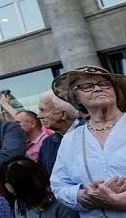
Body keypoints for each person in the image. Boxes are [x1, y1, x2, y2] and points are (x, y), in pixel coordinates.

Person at [50, 65, 126, 216]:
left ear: (115, 91)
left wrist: (120, 201)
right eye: (87, 86)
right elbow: (59, 185)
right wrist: (84, 196)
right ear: (76, 97)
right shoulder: (71, 139)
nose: (98, 89)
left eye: (104, 84)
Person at [2, 156, 79, 218]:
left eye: (19, 193)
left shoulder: (63, 204)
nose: (17, 198)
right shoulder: (20, 203)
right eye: (14, 194)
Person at [36, 91, 81, 175]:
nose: (39, 116)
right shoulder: (47, 143)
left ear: (63, 114)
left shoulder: (91, 134)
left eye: (43, 110)